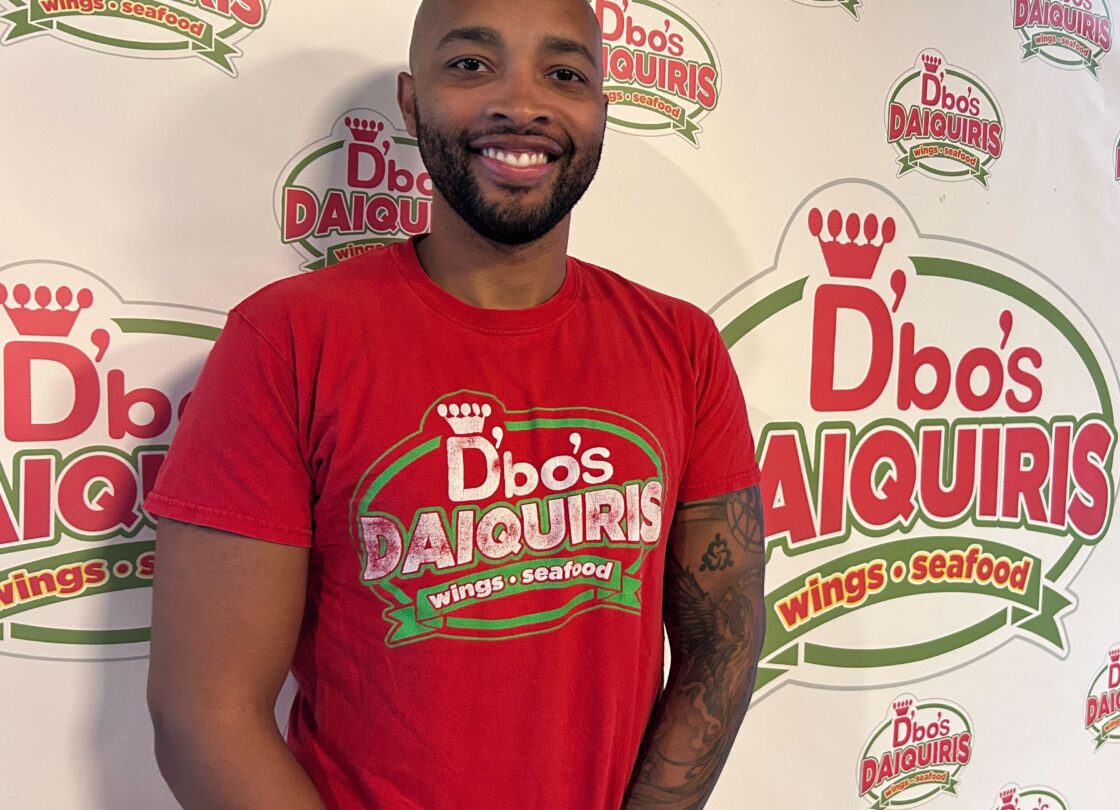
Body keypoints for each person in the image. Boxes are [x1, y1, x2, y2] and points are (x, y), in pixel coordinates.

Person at [143, 0, 764, 807]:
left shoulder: (682, 347)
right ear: (411, 102)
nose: (522, 102)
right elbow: (205, 717)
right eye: (471, 65)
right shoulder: (286, 340)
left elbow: (723, 645)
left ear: (601, 113)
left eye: (565, 73)